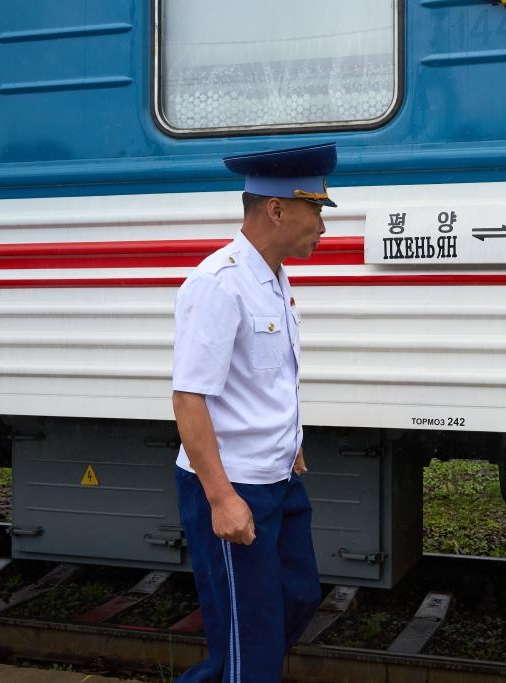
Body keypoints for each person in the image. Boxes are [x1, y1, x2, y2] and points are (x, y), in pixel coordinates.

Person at [171, 143, 337, 682]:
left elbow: (264, 380)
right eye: (316, 210)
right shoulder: (219, 284)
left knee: (299, 596)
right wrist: (221, 499)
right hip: (234, 484)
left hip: (279, 478)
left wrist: (290, 443)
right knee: (254, 637)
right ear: (277, 208)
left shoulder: (274, 277)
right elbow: (189, 397)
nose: (323, 224)